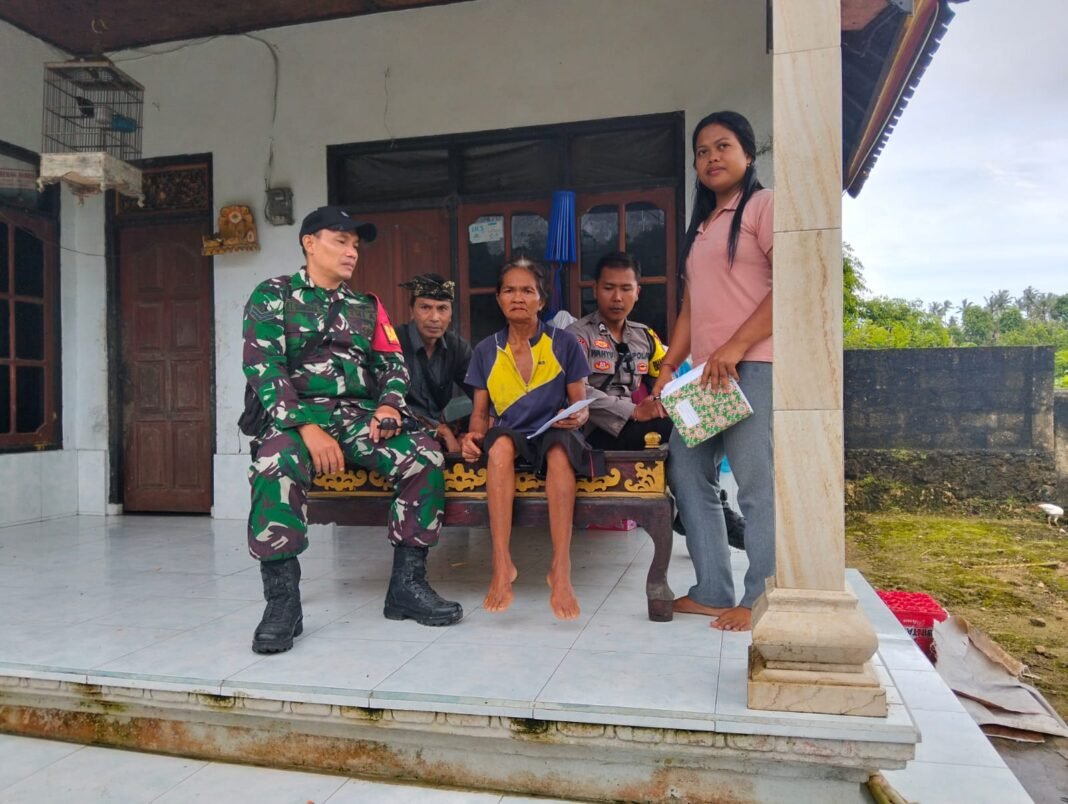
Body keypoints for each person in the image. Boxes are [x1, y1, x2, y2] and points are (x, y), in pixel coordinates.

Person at [242, 205, 462, 655]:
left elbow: (393, 364)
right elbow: (264, 369)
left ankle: (406, 586)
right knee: (275, 463)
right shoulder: (273, 295)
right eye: (340, 241)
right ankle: (282, 603)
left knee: (423, 456)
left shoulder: (367, 307)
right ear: (309, 243)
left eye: (355, 245)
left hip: (359, 418)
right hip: (294, 417)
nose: (351, 252)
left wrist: (388, 405)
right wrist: (305, 426)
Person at [650, 111, 774, 633]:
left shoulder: (763, 207)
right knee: (685, 468)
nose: (712, 158)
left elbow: (791, 283)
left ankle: (760, 596)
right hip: (705, 376)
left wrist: (736, 345)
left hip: (752, 366)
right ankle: (712, 589)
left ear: (748, 153)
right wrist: (668, 367)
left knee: (755, 484)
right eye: (702, 152)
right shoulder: (701, 227)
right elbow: (689, 309)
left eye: (723, 146)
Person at [460, 257, 601, 620]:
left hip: (555, 430)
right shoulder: (485, 350)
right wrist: (474, 436)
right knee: (500, 446)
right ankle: (502, 563)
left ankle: (561, 567)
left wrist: (580, 414)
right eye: (510, 290)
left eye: (528, 290)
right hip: (512, 431)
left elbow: (579, 401)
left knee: (557, 454)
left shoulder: (564, 343)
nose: (518, 297)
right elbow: (480, 411)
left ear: (541, 299)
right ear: (498, 298)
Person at [567, 252, 672, 450]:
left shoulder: (645, 336)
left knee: (695, 422)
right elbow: (579, 393)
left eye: (626, 289)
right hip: (593, 431)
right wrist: (634, 411)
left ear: (637, 292)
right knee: (675, 429)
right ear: (595, 290)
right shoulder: (576, 336)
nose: (617, 298)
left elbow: (664, 383)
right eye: (608, 288)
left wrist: (659, 401)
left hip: (637, 424)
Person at [397, 273, 473, 453]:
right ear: (411, 311)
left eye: (442, 309)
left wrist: (469, 432)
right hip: (401, 428)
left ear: (450, 313)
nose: (434, 317)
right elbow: (382, 402)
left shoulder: (457, 347)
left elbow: (481, 394)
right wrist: (438, 430)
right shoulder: (394, 343)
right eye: (425, 307)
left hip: (441, 426)